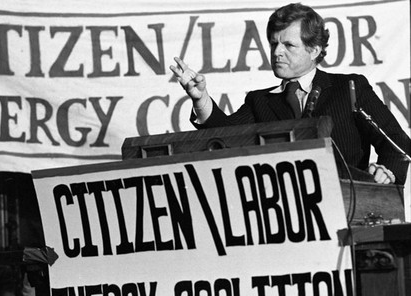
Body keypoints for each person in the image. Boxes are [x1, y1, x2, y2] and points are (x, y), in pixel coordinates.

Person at [170, 3, 410, 185]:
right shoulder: (260, 101)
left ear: (314, 50)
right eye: (274, 44)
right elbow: (225, 138)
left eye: (288, 45)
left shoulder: (349, 88)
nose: (277, 52)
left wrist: (386, 173)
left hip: (348, 210)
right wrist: (200, 99)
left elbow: (397, 144)